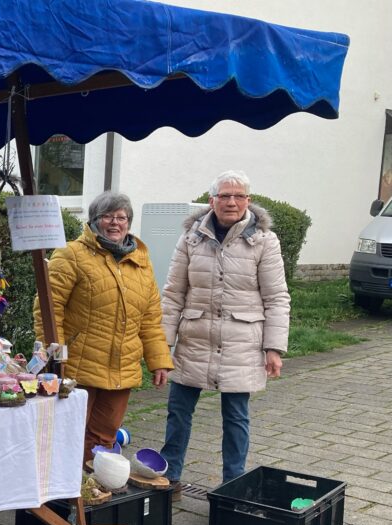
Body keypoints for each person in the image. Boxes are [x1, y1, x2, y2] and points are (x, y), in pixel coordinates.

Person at [160, 170, 290, 501]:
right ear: (211, 200)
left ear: (248, 201)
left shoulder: (264, 240)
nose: (231, 202)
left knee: (236, 416)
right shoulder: (191, 237)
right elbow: (174, 293)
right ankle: (170, 477)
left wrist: (273, 348)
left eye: (238, 196)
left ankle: (234, 484)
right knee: (178, 412)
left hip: (241, 341)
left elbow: (276, 297)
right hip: (194, 338)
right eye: (224, 196)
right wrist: (162, 346)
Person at [34, 191, 173, 464]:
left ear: (129, 223)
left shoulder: (140, 263)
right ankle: (64, 497)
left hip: (122, 370)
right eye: (107, 216)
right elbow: (48, 309)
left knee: (104, 439)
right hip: (78, 368)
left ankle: (91, 492)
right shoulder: (71, 254)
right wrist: (55, 359)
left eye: (121, 217)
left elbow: (149, 319)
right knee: (67, 435)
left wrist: (158, 361)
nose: (115, 223)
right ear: (94, 220)